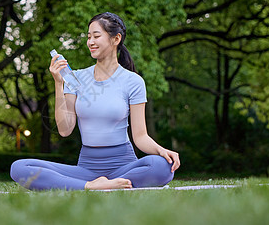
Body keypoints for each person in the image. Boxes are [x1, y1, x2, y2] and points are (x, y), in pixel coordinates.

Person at [10, 12, 181, 190]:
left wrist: (162, 151)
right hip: (86, 169)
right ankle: (91, 186)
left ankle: (94, 185)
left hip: (124, 167)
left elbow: (140, 136)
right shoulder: (75, 78)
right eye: (88, 36)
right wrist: (58, 84)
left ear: (116, 39)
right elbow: (65, 129)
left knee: (162, 167)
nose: (90, 42)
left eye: (96, 36)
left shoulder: (133, 81)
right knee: (19, 168)